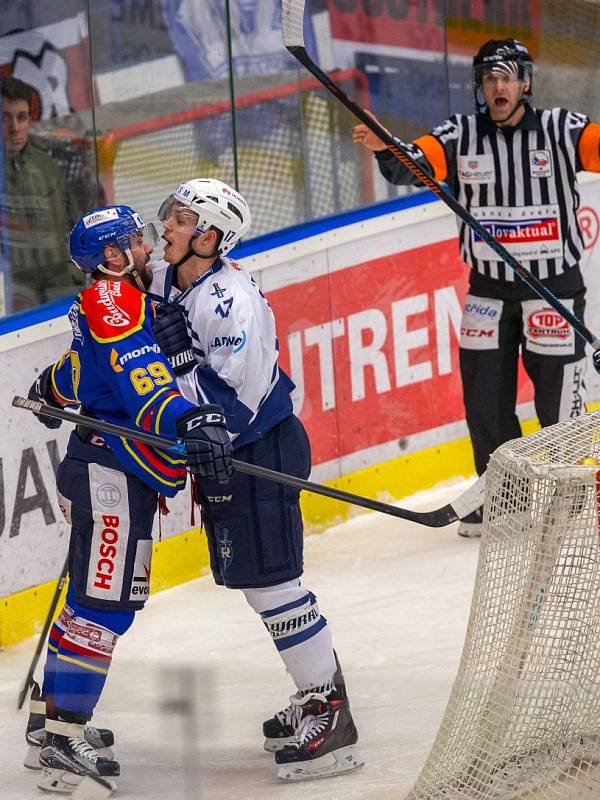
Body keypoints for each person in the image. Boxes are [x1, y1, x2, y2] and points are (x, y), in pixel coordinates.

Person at [148, 178, 363, 781]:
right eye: (171, 214)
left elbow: (227, 412)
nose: (166, 225)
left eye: (181, 219)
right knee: (259, 582)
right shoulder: (176, 277)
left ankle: (331, 710)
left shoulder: (228, 303)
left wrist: (182, 361)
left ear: (211, 237)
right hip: (234, 456)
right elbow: (135, 290)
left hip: (256, 450)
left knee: (274, 585)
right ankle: (317, 691)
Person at [24, 204, 233, 795]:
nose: (146, 246)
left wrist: (52, 387)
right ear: (111, 258)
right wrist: (190, 420)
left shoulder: (112, 302)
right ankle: (65, 734)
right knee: (106, 605)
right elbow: (139, 380)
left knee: (94, 598)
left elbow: (84, 367)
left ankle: (51, 722)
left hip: (111, 468)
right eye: (135, 241)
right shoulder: (113, 300)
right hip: (109, 471)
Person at [354, 38, 600, 537]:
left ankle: (570, 498)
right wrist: (387, 147)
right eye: (490, 78)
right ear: (480, 87)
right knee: (486, 401)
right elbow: (412, 163)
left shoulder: (560, 128)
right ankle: (504, 505)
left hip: (553, 288)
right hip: (488, 292)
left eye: (507, 77)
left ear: (525, 83)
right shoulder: (459, 134)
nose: (498, 86)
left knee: (558, 405)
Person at [1, 75, 83, 312]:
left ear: (30, 120)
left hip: (61, 283)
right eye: (5, 118)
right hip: (13, 291)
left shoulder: (46, 166)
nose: (14, 127)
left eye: (21, 117)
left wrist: (74, 273)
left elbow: (73, 223)